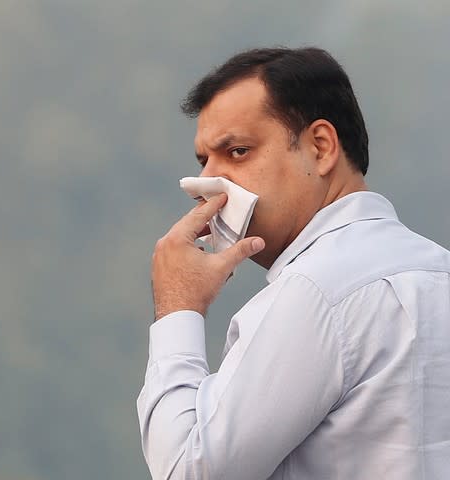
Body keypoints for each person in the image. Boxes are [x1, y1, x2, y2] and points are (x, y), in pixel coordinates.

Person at [137, 47, 450, 479]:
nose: (207, 183)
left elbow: (187, 471)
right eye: (203, 161)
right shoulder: (439, 271)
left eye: (238, 151)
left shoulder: (316, 290)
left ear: (321, 147)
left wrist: (177, 308)